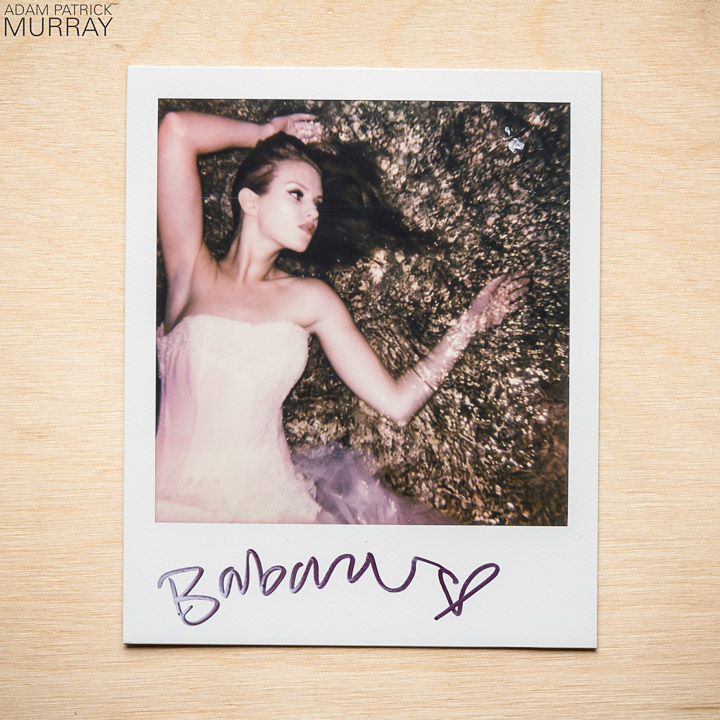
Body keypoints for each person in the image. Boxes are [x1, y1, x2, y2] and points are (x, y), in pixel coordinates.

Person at [155, 110, 529, 524]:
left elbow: (397, 404)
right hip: (166, 507)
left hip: (273, 519)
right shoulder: (192, 274)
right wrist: (263, 134)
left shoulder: (312, 300)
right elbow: (177, 130)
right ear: (250, 201)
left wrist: (470, 325)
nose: (313, 213)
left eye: (317, 203)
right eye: (296, 194)